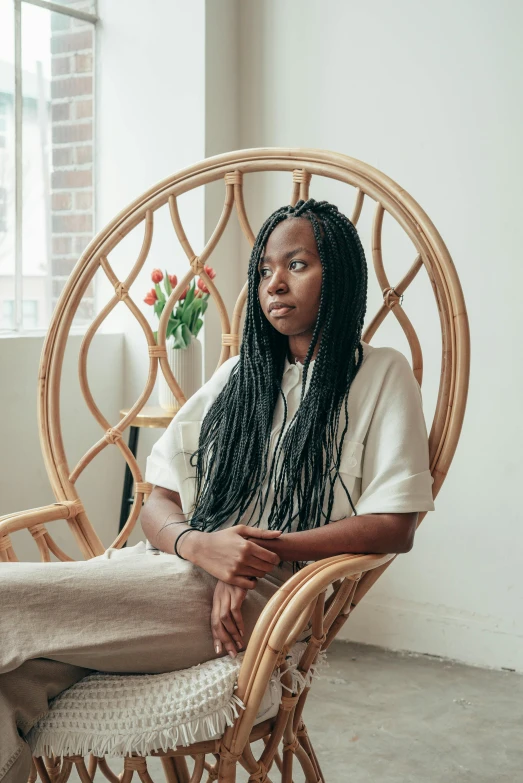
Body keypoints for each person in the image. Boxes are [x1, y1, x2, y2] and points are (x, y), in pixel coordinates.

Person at [0, 199, 435, 782]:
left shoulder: (382, 374)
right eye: (263, 271)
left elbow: (393, 524)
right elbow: (156, 498)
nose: (274, 282)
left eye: (298, 265)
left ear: (341, 275)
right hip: (169, 568)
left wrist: (251, 559)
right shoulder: (237, 376)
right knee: (10, 690)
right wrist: (200, 547)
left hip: (272, 601)